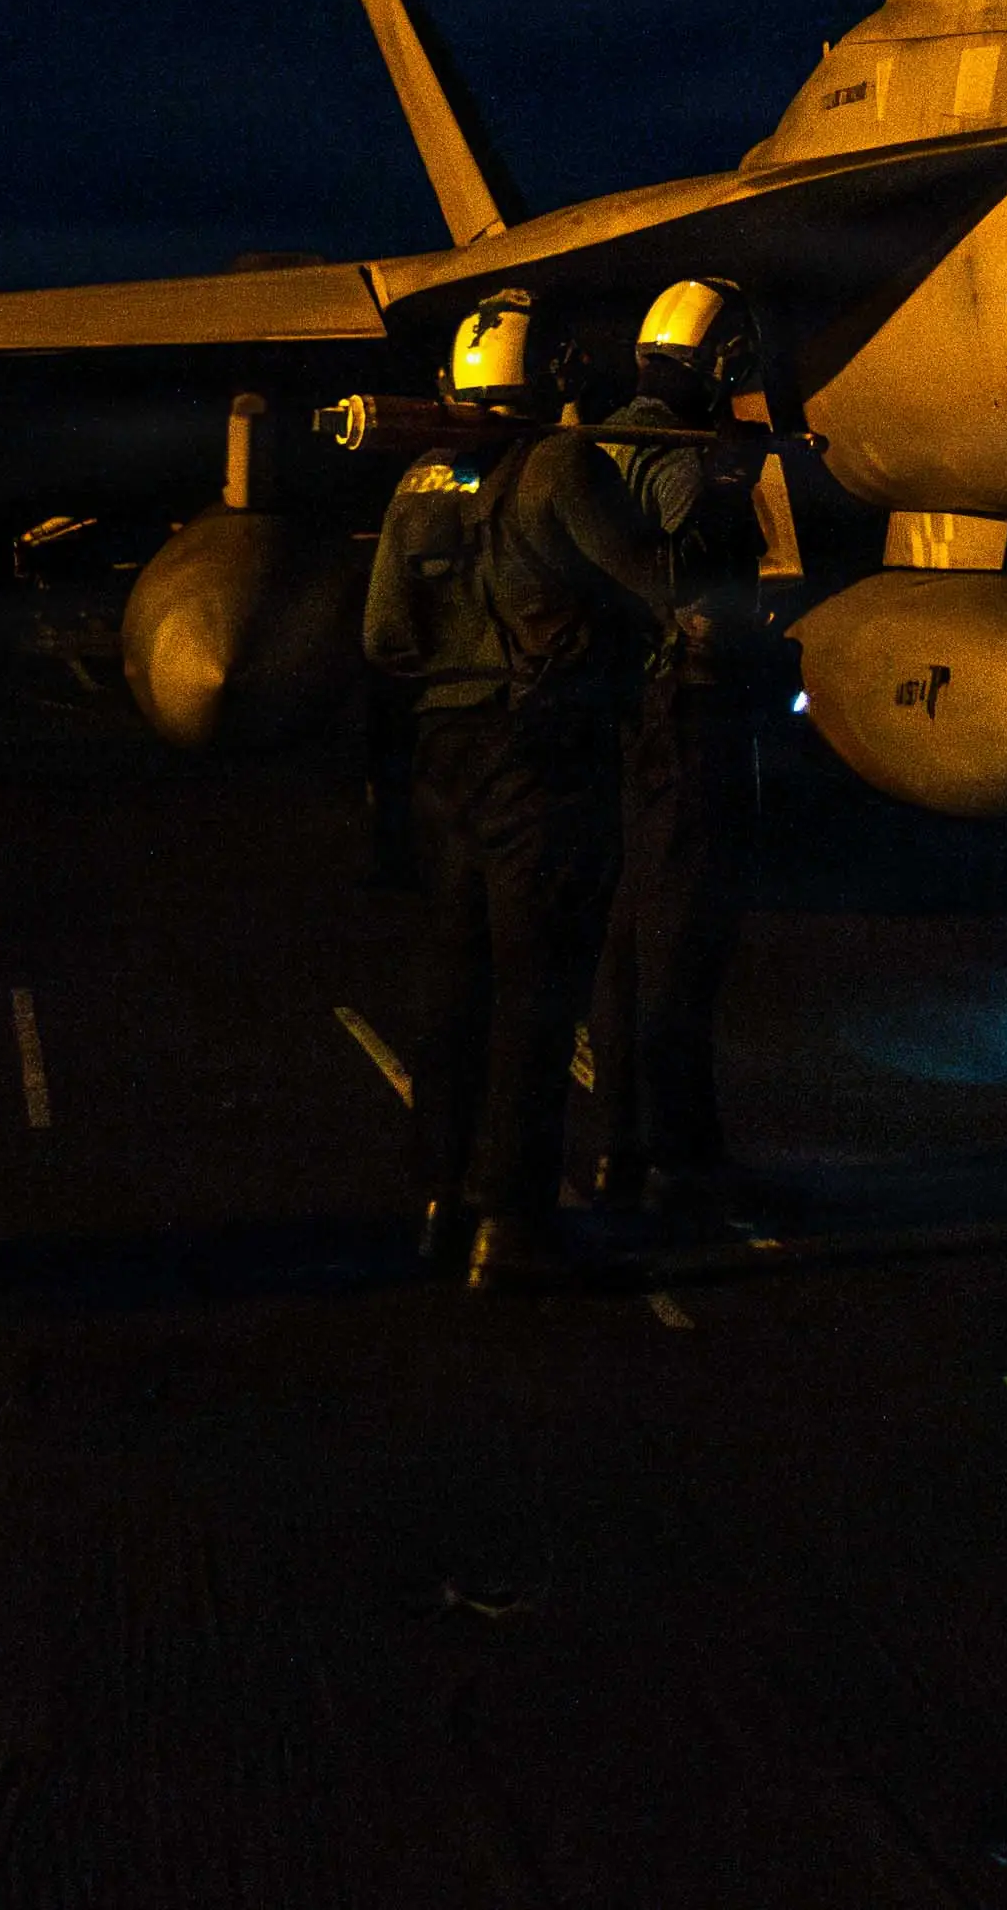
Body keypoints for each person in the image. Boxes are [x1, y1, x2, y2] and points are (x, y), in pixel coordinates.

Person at [363, 289, 676, 1292]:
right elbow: (655, 588)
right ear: (552, 375)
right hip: (544, 758)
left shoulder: (422, 473)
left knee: (452, 988)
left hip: (441, 753)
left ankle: (434, 1205)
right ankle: (513, 1224)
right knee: (537, 999)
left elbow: (382, 636)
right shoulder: (561, 467)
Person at [584, 278, 770, 1222]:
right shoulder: (689, 464)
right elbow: (700, 593)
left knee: (625, 938)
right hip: (688, 716)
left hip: (620, 715)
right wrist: (735, 489)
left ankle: (620, 1146)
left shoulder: (604, 440)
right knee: (683, 944)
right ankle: (681, 1163)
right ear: (723, 359)